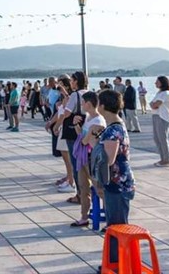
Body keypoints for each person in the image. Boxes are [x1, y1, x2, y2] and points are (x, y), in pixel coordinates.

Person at [97, 89, 135, 266]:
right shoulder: (117, 125)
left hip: (117, 182)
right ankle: (115, 262)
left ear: (103, 106)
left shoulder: (112, 131)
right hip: (120, 180)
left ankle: (118, 264)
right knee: (115, 224)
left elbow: (109, 160)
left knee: (116, 225)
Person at [70, 91, 106, 227]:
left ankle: (110, 218)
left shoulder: (98, 121)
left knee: (99, 189)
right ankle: (84, 216)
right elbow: (81, 136)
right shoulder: (88, 118)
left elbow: (84, 141)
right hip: (83, 157)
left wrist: (85, 135)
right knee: (83, 187)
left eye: (83, 103)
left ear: (89, 104)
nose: (81, 105)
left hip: (92, 159)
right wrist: (76, 125)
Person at [55, 71, 89, 203]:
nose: (71, 83)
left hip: (73, 130)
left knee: (76, 163)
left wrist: (57, 124)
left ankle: (80, 194)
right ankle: (86, 192)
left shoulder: (75, 95)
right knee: (85, 162)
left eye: (72, 80)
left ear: (76, 81)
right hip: (86, 130)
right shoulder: (89, 93)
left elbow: (67, 113)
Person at [150, 76, 169, 167]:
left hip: (163, 117)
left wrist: (154, 105)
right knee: (157, 138)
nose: (155, 83)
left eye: (157, 82)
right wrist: (153, 105)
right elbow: (151, 104)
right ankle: (162, 158)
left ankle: (166, 160)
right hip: (156, 116)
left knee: (162, 139)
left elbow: (155, 104)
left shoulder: (165, 93)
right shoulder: (159, 93)